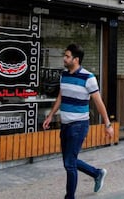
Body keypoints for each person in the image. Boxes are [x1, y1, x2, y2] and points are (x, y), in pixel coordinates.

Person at [42, 44, 113, 199]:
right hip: (65, 124)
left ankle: (70, 197)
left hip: (79, 125)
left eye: (67, 56)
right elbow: (61, 96)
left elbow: (99, 102)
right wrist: (50, 116)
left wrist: (107, 124)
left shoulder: (88, 78)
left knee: (69, 164)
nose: (64, 58)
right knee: (69, 160)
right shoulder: (64, 75)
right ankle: (97, 173)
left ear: (76, 59)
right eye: (65, 55)